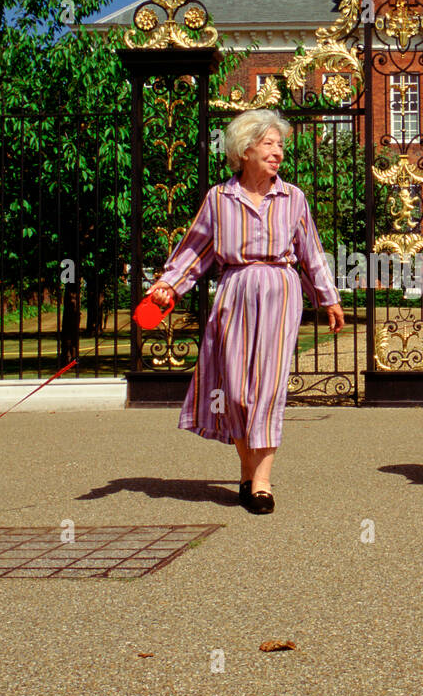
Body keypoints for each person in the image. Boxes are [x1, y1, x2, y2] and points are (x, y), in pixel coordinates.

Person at [146, 109, 344, 514]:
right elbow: (194, 251)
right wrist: (169, 285)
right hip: (234, 291)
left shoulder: (294, 198)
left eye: (281, 146)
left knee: (267, 389)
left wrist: (329, 297)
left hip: (280, 292)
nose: (278, 153)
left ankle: (263, 482)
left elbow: (311, 252)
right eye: (270, 144)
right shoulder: (220, 198)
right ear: (246, 149)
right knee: (235, 391)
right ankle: (247, 470)